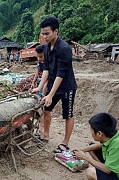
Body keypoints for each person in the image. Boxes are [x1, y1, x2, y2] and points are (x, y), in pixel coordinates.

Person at [32, 16, 77, 152]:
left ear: (56, 31)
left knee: (67, 114)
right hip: (52, 85)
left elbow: (61, 74)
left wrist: (50, 94)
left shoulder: (64, 49)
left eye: (47, 33)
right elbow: (46, 69)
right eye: (42, 33)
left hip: (66, 87)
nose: (44, 36)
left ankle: (65, 142)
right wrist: (39, 88)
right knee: (47, 110)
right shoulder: (45, 48)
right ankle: (45, 134)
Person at [73, 113, 119, 180]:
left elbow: (107, 170)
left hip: (114, 173)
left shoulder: (117, 144)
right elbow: (102, 144)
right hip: (112, 166)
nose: (91, 133)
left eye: (91, 131)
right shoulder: (112, 136)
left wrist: (84, 157)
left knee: (91, 172)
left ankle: (100, 169)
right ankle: (100, 167)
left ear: (99, 133)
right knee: (92, 147)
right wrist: (82, 150)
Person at [30, 44, 47, 136]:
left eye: (41, 56)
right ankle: (40, 124)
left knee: (39, 105)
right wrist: (33, 82)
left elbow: (48, 79)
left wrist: (43, 91)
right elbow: (37, 71)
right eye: (38, 56)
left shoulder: (48, 63)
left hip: (44, 85)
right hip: (39, 84)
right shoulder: (39, 62)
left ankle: (42, 125)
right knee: (37, 104)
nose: (39, 58)